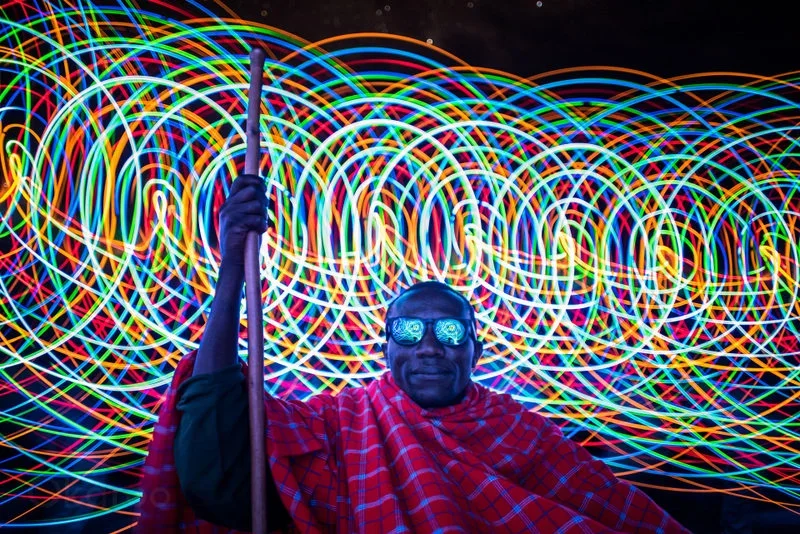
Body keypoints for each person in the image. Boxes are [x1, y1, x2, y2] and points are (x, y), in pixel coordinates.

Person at [138, 174, 690, 533]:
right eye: (408, 331)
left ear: (476, 347)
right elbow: (214, 463)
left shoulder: (522, 432)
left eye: (450, 332)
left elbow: (613, 510)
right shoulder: (341, 424)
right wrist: (232, 269)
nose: (428, 346)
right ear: (384, 347)